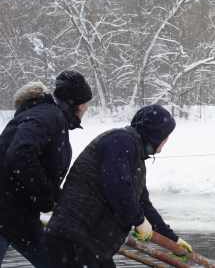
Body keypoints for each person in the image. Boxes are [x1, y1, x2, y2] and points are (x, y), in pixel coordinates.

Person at [46, 104, 192, 268]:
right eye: (166, 136)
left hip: (92, 243)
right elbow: (117, 187)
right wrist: (138, 221)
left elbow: (143, 204)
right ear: (155, 135)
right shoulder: (120, 141)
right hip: (75, 236)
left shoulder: (135, 158)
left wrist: (172, 238)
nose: (166, 141)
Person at [0, 71, 92, 267]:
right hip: (10, 212)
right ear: (73, 103)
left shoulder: (45, 115)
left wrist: (54, 197)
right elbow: (20, 154)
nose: (86, 108)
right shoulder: (49, 116)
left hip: (16, 212)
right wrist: (45, 196)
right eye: (84, 102)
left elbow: (36, 162)